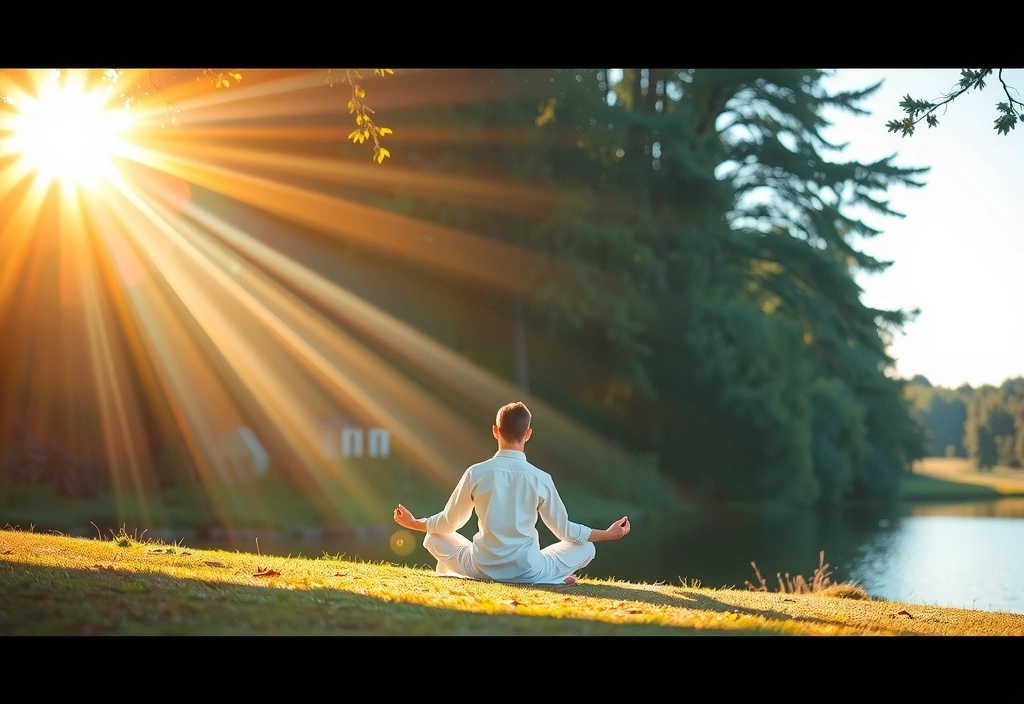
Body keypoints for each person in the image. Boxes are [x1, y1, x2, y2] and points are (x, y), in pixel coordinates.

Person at [393, 401, 630, 585]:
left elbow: (447, 523)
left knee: (433, 536)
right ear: (528, 434)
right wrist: (608, 534)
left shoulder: (476, 473)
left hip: (481, 567)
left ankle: (458, 576)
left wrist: (414, 522)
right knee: (587, 547)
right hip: (528, 570)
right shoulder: (541, 478)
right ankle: (551, 578)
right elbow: (565, 531)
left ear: (495, 431)